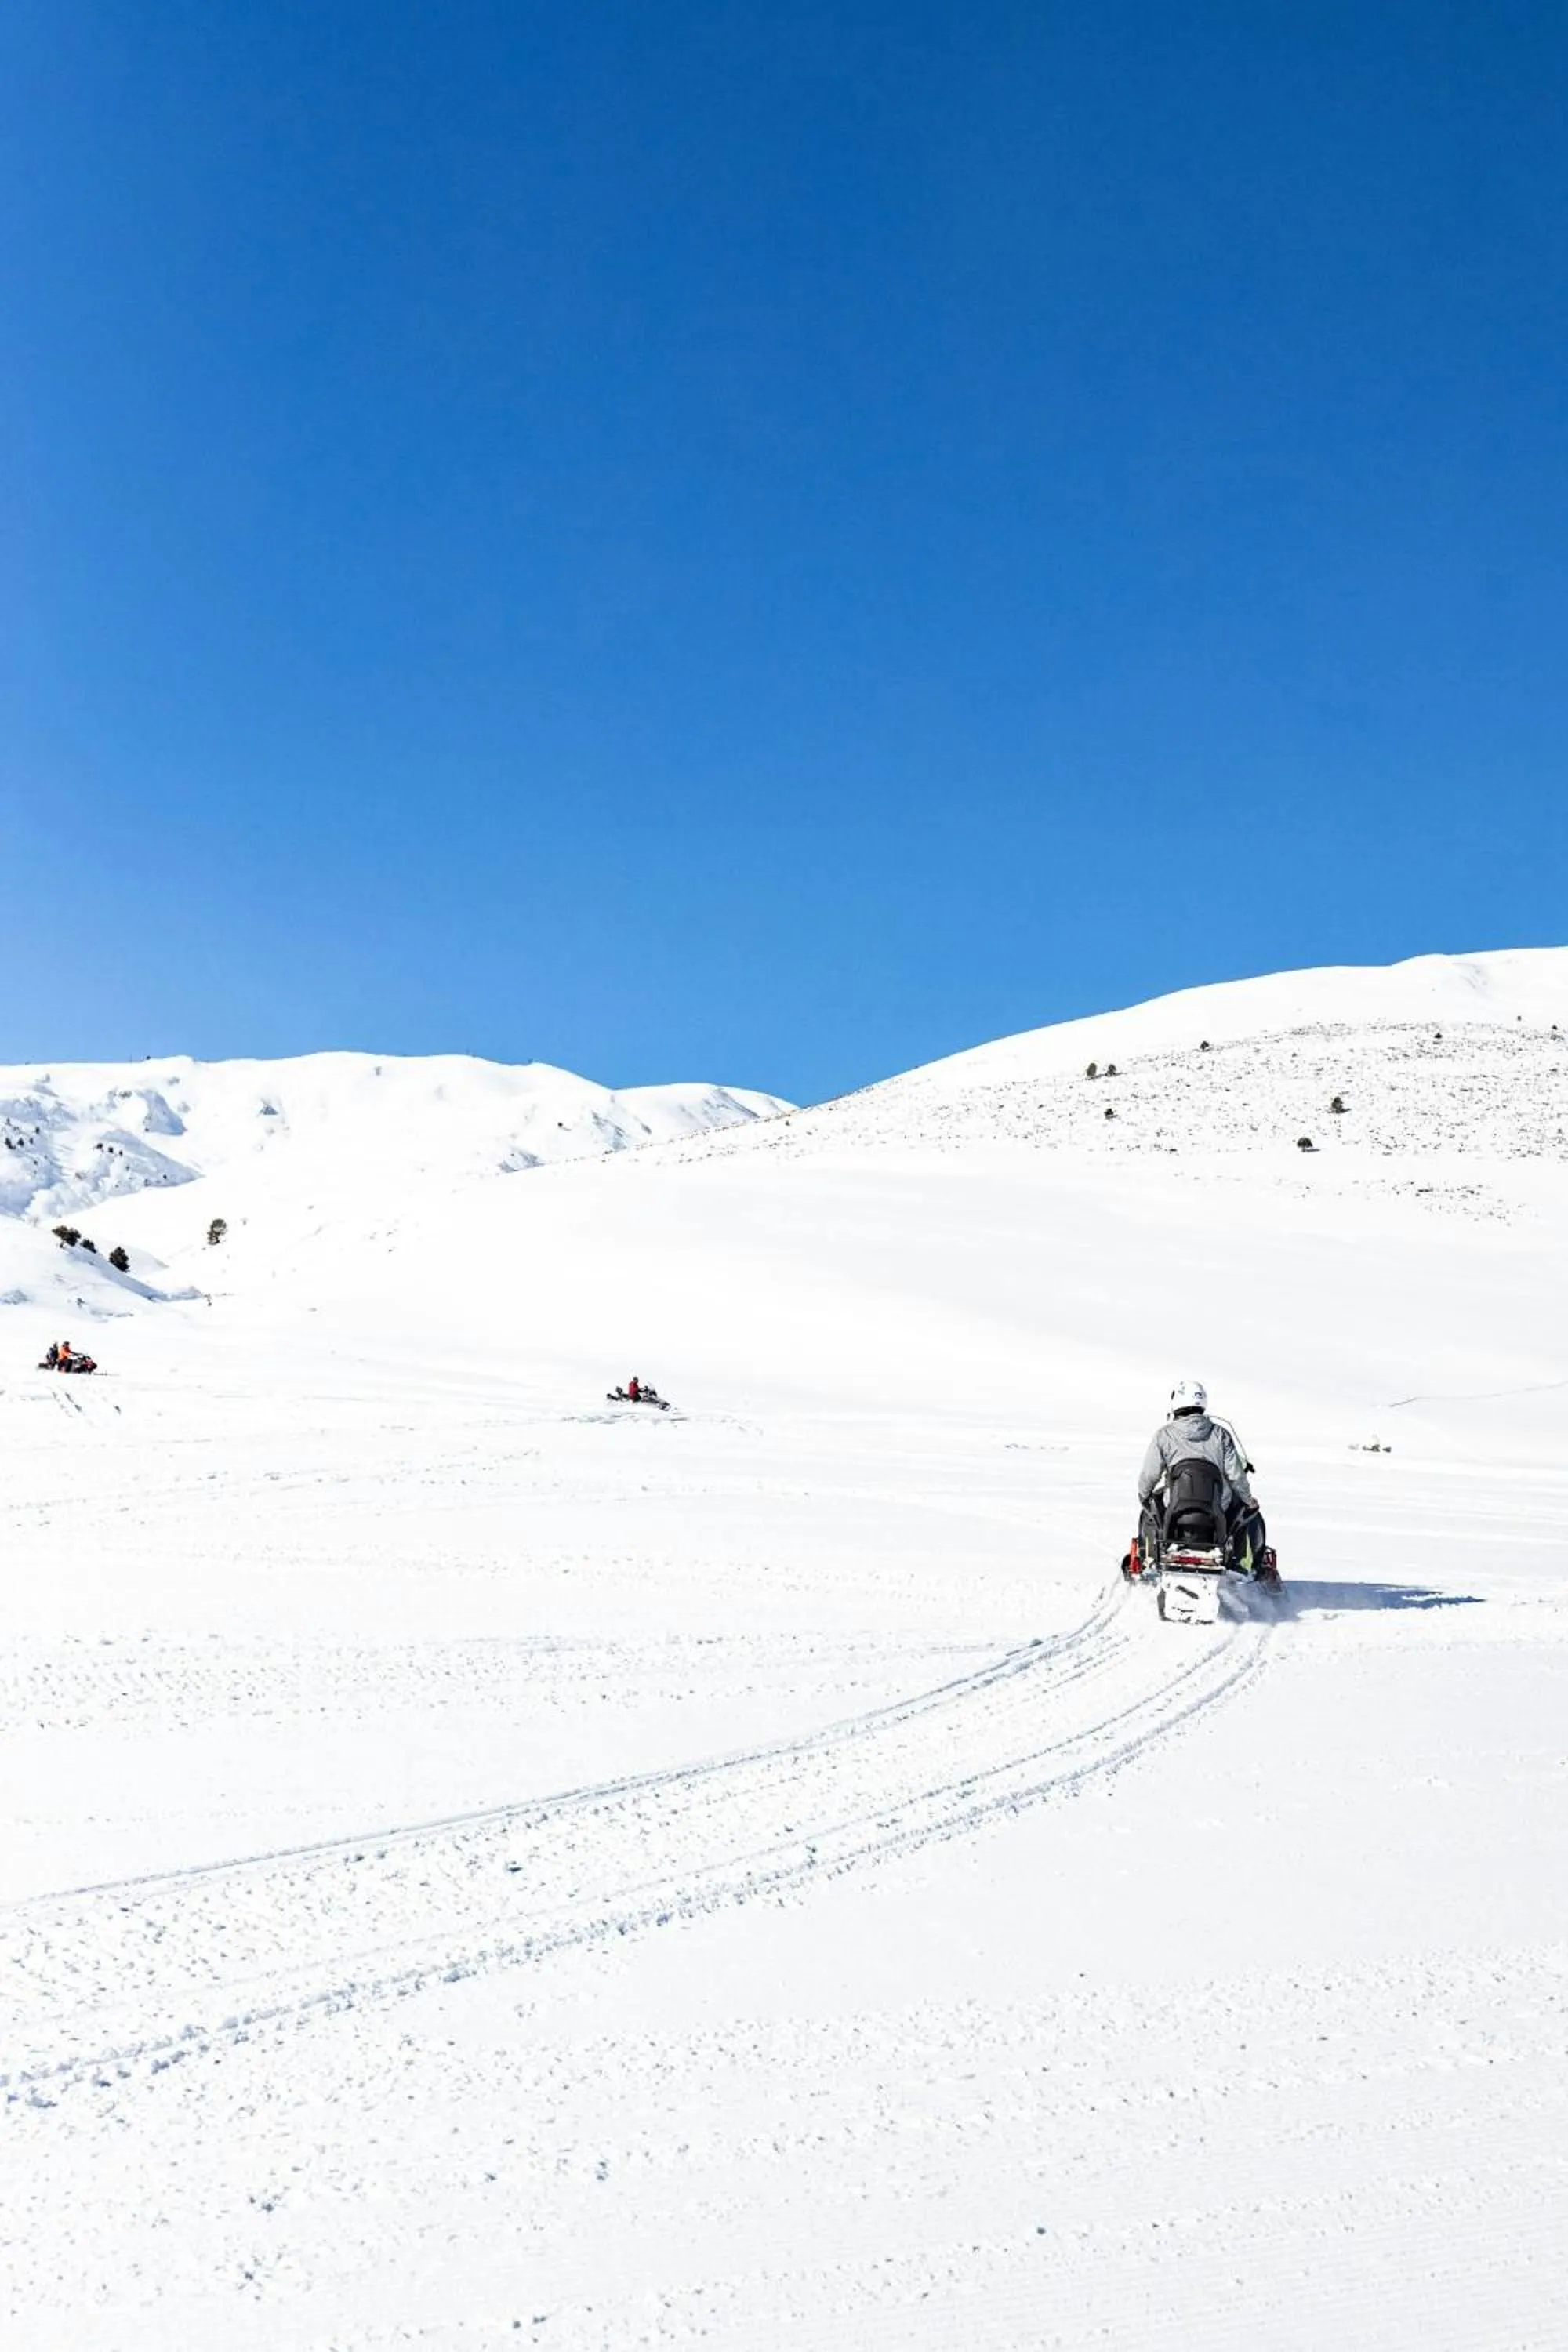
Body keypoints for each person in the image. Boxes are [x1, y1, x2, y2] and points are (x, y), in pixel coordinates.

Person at [1136, 1378, 1276, 1579]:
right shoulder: (1221, 1435)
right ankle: (1245, 1565)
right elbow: (1236, 1476)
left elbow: (1150, 1474)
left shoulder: (1163, 1436)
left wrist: (1144, 1495)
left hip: (1174, 1505)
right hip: (1217, 1505)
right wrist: (1248, 1499)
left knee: (1149, 1508)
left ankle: (1147, 1558)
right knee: (1249, 1512)